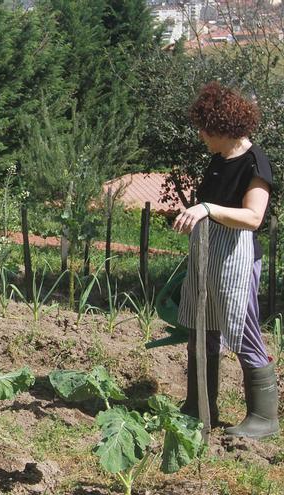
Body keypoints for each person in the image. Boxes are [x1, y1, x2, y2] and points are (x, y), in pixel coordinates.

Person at [174, 81, 278, 438]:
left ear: (224, 126)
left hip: (238, 261)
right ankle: (200, 405)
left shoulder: (255, 163)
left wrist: (206, 208)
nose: (202, 135)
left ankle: (264, 419)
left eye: (205, 128)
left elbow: (253, 218)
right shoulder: (218, 160)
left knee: (242, 331)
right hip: (208, 257)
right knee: (202, 329)